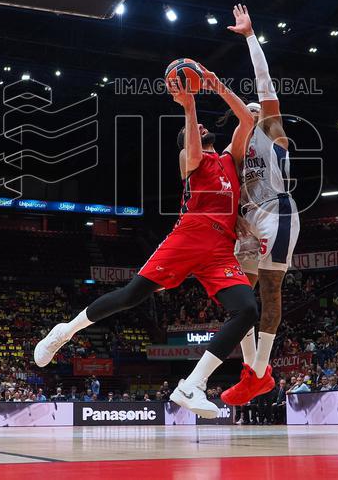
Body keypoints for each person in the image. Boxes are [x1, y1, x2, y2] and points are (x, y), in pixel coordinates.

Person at [34, 68, 259, 418]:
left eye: (200, 127)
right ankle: (65, 331)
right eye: (193, 131)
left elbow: (246, 118)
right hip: (188, 237)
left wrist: (215, 83)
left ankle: (192, 385)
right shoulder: (190, 160)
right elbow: (194, 146)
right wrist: (189, 105)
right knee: (130, 296)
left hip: (219, 249)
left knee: (247, 309)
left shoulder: (230, 158)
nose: (199, 129)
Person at [220, 5, 301, 407]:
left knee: (270, 289)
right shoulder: (234, 149)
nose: (252, 112)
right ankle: (254, 372)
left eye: (256, 109)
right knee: (238, 297)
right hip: (249, 222)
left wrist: (251, 36)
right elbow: (226, 194)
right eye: (246, 111)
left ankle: (258, 371)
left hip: (278, 212)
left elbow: (264, 81)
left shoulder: (273, 130)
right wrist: (233, 221)